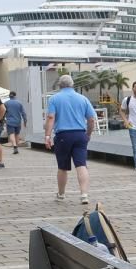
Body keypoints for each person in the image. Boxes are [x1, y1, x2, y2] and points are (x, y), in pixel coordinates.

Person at [44, 74, 97, 204]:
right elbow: (91, 119)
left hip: (63, 136)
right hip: (80, 135)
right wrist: (88, 134)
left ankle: (61, 194)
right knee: (81, 165)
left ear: (59, 85)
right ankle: (84, 194)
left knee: (62, 167)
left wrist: (47, 135)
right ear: (72, 84)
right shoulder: (83, 98)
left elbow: (51, 118)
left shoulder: (54, 99)